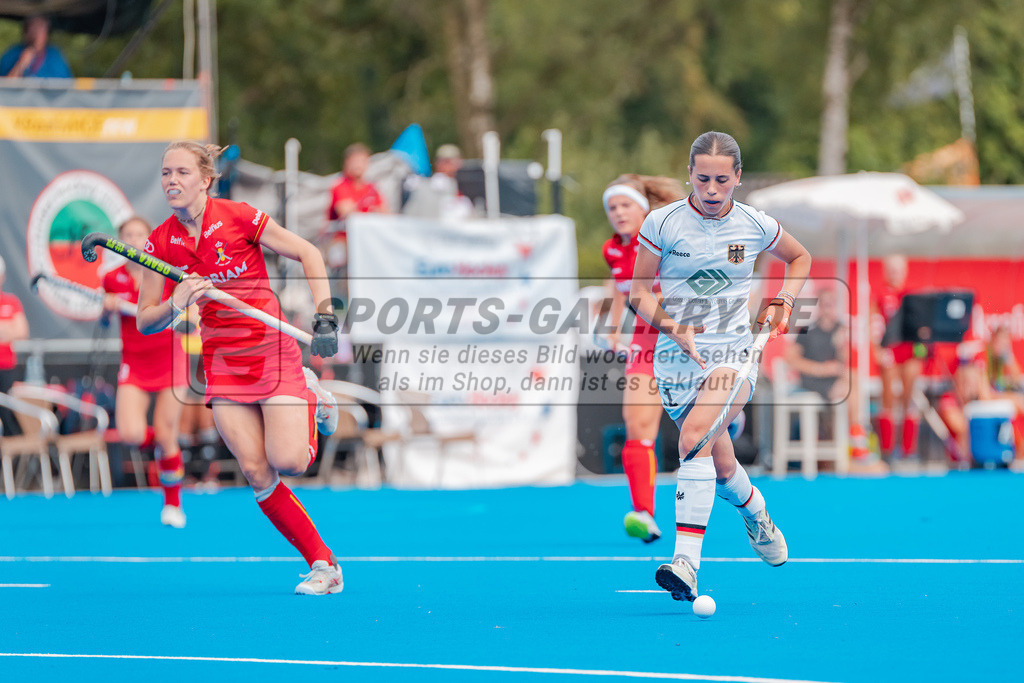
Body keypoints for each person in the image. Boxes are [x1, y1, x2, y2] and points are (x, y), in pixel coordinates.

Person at [137, 140, 343, 595]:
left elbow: (309, 252)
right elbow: (145, 319)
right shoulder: (161, 243)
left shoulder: (239, 217)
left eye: (182, 173)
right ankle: (323, 565)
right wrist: (176, 303)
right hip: (223, 362)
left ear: (206, 179)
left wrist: (325, 315)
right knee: (255, 469)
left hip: (270, 348)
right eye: (166, 173)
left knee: (288, 460)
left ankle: (311, 395)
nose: (172, 180)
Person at [630, 131, 811, 603]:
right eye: (703, 179)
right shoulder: (662, 222)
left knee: (693, 439)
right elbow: (638, 294)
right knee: (719, 460)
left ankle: (686, 563)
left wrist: (784, 300)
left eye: (722, 181)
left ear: (737, 178)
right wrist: (672, 327)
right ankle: (757, 514)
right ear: (689, 173)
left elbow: (799, 257)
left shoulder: (754, 223)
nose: (712, 191)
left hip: (734, 357)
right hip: (675, 363)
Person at [600, 174, 684, 542]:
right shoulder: (612, 249)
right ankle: (644, 513)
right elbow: (620, 288)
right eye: (612, 207)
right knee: (636, 425)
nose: (618, 213)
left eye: (625, 205)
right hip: (646, 340)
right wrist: (612, 326)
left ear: (643, 208)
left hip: (684, 335)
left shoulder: (664, 238)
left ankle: (731, 419)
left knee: (703, 427)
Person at [102, 217, 190, 527]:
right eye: (129, 235)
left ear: (149, 240)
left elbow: (185, 319)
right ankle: (166, 449)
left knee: (167, 434)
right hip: (134, 364)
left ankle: (173, 504)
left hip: (169, 360)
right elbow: (103, 322)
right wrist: (107, 307)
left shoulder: (166, 275)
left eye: (141, 235)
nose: (135, 240)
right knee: (130, 434)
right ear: (120, 241)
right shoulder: (111, 279)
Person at [872, 254, 923, 460]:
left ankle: (908, 450)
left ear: (905, 271)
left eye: (898, 269)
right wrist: (878, 349)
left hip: (909, 351)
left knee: (909, 397)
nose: (894, 274)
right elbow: (875, 323)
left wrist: (920, 353)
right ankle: (887, 449)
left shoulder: (912, 295)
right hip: (890, 350)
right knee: (889, 396)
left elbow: (920, 327)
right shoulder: (880, 296)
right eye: (891, 269)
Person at [0, 255, 30, 436]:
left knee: (10, 417)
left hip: (7, 369)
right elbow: (14, 330)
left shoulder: (11, 301)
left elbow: (22, 332)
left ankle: (15, 462)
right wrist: (7, 328)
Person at [1, 15, 72, 78]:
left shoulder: (55, 56)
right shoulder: (13, 53)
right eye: (32, 27)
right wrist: (21, 64)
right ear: (26, 31)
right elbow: (5, 86)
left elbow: (65, 85)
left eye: (40, 27)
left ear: (47, 33)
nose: (35, 32)